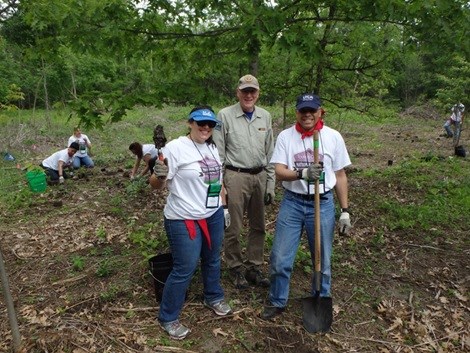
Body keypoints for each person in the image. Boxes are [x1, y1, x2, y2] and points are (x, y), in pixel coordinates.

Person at [261, 93, 352, 320]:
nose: (308, 114)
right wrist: (301, 173)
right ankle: (277, 300)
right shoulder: (286, 136)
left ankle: (320, 296)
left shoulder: (332, 137)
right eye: (303, 110)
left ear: (320, 111)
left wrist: (345, 211)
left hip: (323, 203)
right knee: (280, 258)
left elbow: (340, 175)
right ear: (297, 113)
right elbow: (279, 171)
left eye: (312, 110)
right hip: (293, 203)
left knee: (324, 259)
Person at [149, 106, 232, 340]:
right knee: (184, 267)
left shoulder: (213, 147)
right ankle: (168, 317)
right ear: (190, 123)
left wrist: (223, 207)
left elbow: (218, 181)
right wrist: (160, 173)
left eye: (210, 124)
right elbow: (156, 184)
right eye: (200, 123)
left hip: (212, 214)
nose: (205, 128)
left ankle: (213, 296)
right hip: (183, 217)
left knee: (213, 259)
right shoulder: (175, 148)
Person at [212, 74, 275, 289]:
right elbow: (219, 153)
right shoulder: (225, 116)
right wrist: (220, 187)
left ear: (258, 93)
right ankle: (235, 268)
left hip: (260, 176)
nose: (249, 95)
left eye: (253, 91)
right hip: (235, 175)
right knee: (234, 226)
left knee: (259, 225)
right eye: (245, 91)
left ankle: (254, 267)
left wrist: (271, 183)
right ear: (238, 92)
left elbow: (271, 151)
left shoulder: (265, 116)